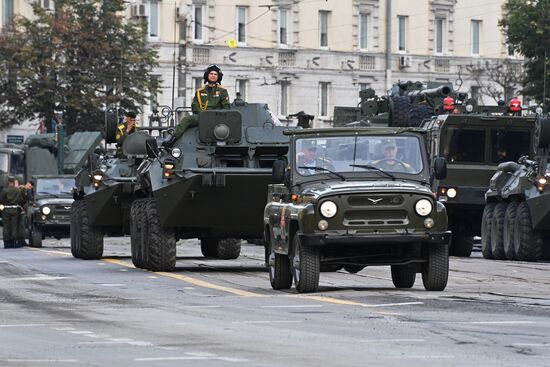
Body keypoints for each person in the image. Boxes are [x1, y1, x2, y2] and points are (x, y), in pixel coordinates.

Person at [165, 64, 231, 146]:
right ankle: (172, 138)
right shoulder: (200, 91)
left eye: (215, 74)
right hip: (201, 115)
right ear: (207, 75)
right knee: (187, 119)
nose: (213, 76)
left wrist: (216, 115)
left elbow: (226, 107)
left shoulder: (222, 91)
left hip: (216, 117)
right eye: (211, 74)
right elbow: (195, 106)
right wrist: (203, 115)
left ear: (218, 76)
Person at [0, 177, 32, 248]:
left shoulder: (5, 190)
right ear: (13, 182)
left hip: (6, 210)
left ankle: (6, 243)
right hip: (15, 210)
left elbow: (1, 199)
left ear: (8, 182)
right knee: (14, 226)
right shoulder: (17, 190)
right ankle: (14, 242)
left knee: (6, 227)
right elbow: (20, 200)